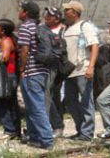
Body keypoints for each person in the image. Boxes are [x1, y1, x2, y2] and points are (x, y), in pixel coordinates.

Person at [17, 1, 54, 149]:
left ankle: (46, 139)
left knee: (36, 106)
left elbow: (25, 50)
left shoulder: (26, 27)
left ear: (25, 13)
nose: (19, 12)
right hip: (42, 71)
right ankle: (35, 137)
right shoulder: (40, 27)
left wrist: (22, 69)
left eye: (21, 10)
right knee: (32, 106)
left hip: (31, 73)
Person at [61, 0, 99, 141]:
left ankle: (87, 133)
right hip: (69, 71)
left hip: (82, 70)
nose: (65, 12)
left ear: (75, 12)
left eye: (68, 10)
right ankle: (80, 128)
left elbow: (94, 46)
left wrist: (91, 67)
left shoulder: (85, 26)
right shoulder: (67, 28)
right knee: (70, 101)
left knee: (85, 102)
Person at [0, 18, 21, 139]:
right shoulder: (9, 40)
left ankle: (10, 129)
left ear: (3, 31)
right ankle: (15, 130)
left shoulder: (5, 41)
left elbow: (4, 58)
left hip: (7, 76)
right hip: (12, 76)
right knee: (11, 104)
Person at [43, 7, 66, 138]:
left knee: (49, 95)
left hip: (57, 67)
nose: (46, 16)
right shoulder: (44, 29)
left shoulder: (63, 31)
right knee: (51, 96)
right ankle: (56, 125)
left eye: (50, 15)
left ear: (57, 18)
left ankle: (57, 125)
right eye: (46, 14)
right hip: (45, 66)